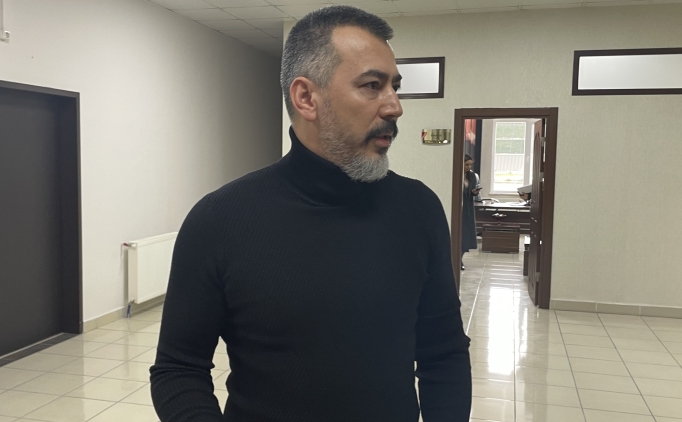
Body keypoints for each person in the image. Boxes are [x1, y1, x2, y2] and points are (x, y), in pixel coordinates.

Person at [150, 6, 471, 422]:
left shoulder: (418, 209)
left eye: (395, 87)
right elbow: (178, 370)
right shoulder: (219, 221)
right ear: (306, 98)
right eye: (372, 86)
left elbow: (443, 352)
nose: (394, 107)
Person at [461, 155, 480, 270]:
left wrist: (474, 192)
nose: (468, 167)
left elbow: (470, 192)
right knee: (459, 233)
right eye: (466, 164)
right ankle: (456, 259)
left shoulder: (472, 176)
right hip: (458, 206)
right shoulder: (454, 173)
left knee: (466, 234)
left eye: (470, 165)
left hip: (467, 206)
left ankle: (460, 258)